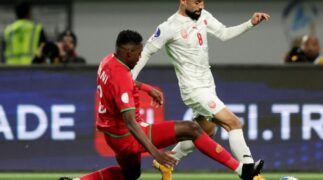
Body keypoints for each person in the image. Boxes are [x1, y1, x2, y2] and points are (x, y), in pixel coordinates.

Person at [60, 30, 263, 180]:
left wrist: (145, 87)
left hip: (112, 136)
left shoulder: (108, 61)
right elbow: (131, 122)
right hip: (127, 136)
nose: (141, 57)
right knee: (192, 128)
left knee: (130, 176)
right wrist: (155, 152)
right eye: (138, 53)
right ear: (128, 52)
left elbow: (120, 83)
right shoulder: (121, 75)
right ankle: (241, 170)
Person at [131, 0, 268, 179]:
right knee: (233, 122)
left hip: (208, 86)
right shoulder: (168, 27)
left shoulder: (203, 15)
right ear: (183, 1)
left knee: (206, 131)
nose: (200, 6)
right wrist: (129, 78)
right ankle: (250, 171)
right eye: (196, 2)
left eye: (202, 1)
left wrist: (250, 23)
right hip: (193, 89)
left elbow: (224, 33)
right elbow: (147, 51)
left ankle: (165, 162)